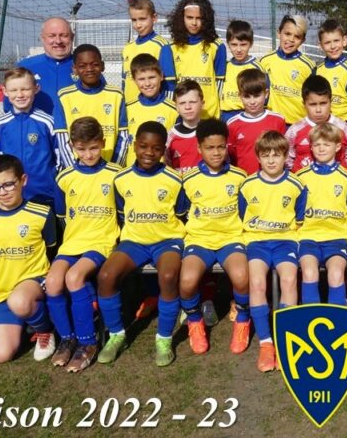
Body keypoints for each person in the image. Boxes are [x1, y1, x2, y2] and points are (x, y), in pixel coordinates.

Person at [96, 121, 185, 367]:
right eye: (143, 146)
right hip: (134, 241)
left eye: (156, 148)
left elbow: (181, 213)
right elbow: (121, 213)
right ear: (135, 146)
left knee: (168, 276)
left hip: (167, 240)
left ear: (163, 150)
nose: (149, 153)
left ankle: (164, 339)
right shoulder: (121, 179)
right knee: (106, 276)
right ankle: (117, 335)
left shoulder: (174, 179)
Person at [47, 117, 122, 372]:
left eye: (93, 148)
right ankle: (67, 338)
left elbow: (122, 212)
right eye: (81, 149)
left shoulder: (115, 174)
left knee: (74, 277)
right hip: (73, 241)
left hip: (101, 241)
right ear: (72, 146)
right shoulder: (64, 177)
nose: (88, 154)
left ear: (103, 143)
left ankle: (88, 342)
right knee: (53, 281)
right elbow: (61, 215)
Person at [177, 119, 252, 357]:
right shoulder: (188, 180)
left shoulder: (239, 177)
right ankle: (195, 322)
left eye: (221, 147)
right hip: (199, 240)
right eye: (210, 148)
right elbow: (181, 212)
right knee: (187, 281)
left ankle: (243, 320)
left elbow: (246, 211)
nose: (216, 152)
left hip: (231, 238)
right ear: (199, 148)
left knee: (241, 277)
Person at [0, 154, 57, 364]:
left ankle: (45, 329)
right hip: (2, 293)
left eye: (9, 184)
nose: (2, 192)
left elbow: (52, 251)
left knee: (20, 301)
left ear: (23, 180)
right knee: (0, 355)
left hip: (35, 283)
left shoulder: (41, 214)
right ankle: (25, 320)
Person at [240, 131, 307, 372]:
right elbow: (242, 214)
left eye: (276, 155)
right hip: (256, 241)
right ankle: (266, 343)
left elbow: (299, 218)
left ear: (286, 156)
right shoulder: (247, 185)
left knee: (289, 280)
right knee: (257, 283)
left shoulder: (296, 185)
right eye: (265, 155)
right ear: (258, 157)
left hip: (285, 241)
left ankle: (286, 338)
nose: (271, 160)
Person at [296, 122, 347, 305]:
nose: (321, 149)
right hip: (308, 237)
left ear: (337, 146)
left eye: (326, 144)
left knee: (336, 274)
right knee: (309, 273)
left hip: (336, 238)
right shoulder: (301, 177)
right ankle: (311, 315)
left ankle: (337, 315)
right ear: (311, 147)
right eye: (317, 144)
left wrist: (346, 233)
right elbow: (296, 212)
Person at [0, 67, 59, 206]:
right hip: (12, 195)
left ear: (36, 89)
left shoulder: (48, 122)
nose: (20, 95)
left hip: (45, 194)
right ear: (5, 91)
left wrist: (55, 183)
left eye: (25, 89)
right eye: (13, 90)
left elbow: (60, 159)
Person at [53, 44, 129, 167]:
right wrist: (75, 170)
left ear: (102, 66)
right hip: (78, 169)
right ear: (74, 69)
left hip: (110, 169)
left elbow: (123, 136)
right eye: (82, 66)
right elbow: (62, 139)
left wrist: (113, 169)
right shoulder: (64, 96)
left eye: (95, 64)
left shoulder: (116, 95)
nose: (89, 69)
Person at [163, 0, 227, 119]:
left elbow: (220, 83)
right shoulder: (169, 48)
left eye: (199, 18)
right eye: (189, 17)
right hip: (183, 116)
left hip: (210, 115)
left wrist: (219, 112)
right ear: (181, 18)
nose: (194, 22)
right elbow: (170, 87)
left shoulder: (217, 46)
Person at [284, 75, 347, 173]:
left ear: (330, 102)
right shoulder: (294, 131)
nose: (318, 110)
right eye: (313, 104)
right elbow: (287, 160)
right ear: (304, 104)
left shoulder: (343, 128)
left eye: (323, 103)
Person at [10, 17, 76, 117]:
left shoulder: (86, 68)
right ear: (42, 38)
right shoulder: (25, 67)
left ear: (72, 37)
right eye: (52, 36)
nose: (58, 41)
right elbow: (10, 106)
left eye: (64, 35)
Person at [226, 67, 287, 174]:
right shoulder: (232, 124)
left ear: (266, 94)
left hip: (272, 178)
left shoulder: (278, 120)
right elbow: (232, 155)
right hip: (244, 179)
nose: (252, 101)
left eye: (257, 96)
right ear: (240, 96)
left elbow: (284, 151)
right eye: (247, 96)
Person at [257, 15, 316, 125]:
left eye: (297, 37)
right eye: (287, 34)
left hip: (299, 124)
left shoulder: (308, 66)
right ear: (279, 33)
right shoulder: (265, 61)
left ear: (302, 40)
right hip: (272, 124)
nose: (291, 39)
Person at [123, 54, 179, 168]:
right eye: (141, 79)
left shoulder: (174, 110)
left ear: (161, 76)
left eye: (152, 77)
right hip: (132, 171)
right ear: (134, 80)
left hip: (162, 172)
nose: (147, 83)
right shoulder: (127, 109)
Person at [121, 0, 175, 102]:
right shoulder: (127, 48)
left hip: (154, 108)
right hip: (130, 107)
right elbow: (124, 81)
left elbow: (170, 83)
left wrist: (166, 107)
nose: (138, 25)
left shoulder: (161, 46)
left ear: (154, 18)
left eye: (142, 19)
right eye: (134, 20)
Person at [313, 19, 347, 121]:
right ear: (320, 46)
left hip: (343, 124)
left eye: (336, 41)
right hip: (321, 124)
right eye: (327, 42)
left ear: (344, 40)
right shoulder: (317, 71)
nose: (333, 46)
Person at [219, 20, 262, 123]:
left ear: (251, 43)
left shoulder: (256, 67)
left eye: (243, 45)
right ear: (228, 44)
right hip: (226, 116)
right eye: (234, 44)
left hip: (247, 115)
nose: (238, 49)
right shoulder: (225, 66)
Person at [166, 79, 206, 175]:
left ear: (202, 104)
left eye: (193, 102)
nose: (187, 107)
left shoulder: (212, 131)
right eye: (182, 103)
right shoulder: (170, 136)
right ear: (176, 107)